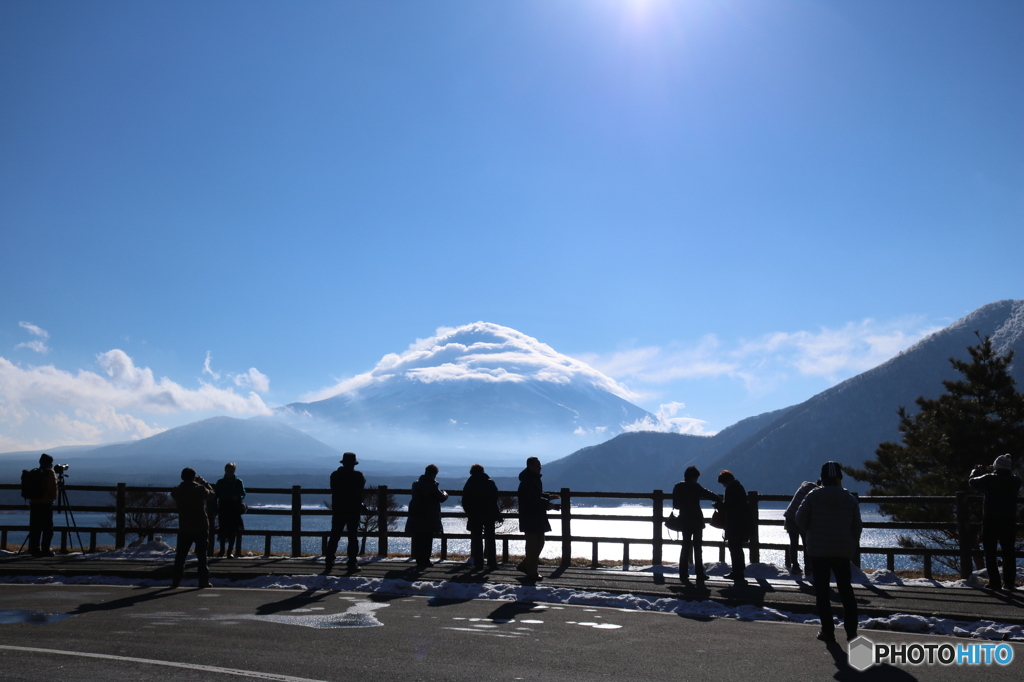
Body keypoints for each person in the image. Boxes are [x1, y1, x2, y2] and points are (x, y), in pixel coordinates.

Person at [796, 461, 862, 643]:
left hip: (818, 551)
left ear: (823, 478)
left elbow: (799, 519)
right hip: (842, 551)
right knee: (846, 591)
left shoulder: (812, 497)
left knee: (822, 592)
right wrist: (850, 542)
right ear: (840, 478)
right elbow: (857, 526)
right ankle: (851, 632)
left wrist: (812, 532)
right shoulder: (849, 499)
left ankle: (828, 631)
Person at [969, 454, 1022, 591]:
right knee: (1009, 552)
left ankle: (995, 582)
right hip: (1009, 521)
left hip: (990, 520)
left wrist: (977, 472)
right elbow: (1007, 477)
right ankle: (1009, 583)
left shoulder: (988, 479)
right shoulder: (1015, 481)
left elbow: (972, 482)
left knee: (990, 552)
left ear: (996, 466)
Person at [671, 465, 722, 582]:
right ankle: (700, 573)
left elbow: (676, 505)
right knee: (698, 548)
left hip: (684, 519)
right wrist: (719, 499)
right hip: (696, 520)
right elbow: (709, 494)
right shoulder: (695, 487)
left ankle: (683, 573)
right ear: (694, 477)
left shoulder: (677, 487)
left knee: (685, 546)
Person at [170, 467, 216, 589]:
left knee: (180, 556)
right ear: (194, 477)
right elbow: (212, 493)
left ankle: (176, 581)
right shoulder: (200, 489)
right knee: (202, 556)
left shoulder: (177, 491)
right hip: (200, 526)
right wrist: (203, 482)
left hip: (184, 526)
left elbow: (174, 493)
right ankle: (203, 581)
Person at [516, 456, 559, 581]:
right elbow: (532, 499)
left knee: (539, 543)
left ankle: (526, 565)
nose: (540, 467)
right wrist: (548, 504)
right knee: (533, 544)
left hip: (536, 516)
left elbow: (536, 495)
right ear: (530, 466)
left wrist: (548, 497)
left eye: (540, 465)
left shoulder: (532, 479)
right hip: (530, 517)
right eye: (537, 465)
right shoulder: (528, 481)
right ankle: (532, 572)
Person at [326, 452, 366, 573]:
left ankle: (329, 560)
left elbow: (334, 489)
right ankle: (352, 562)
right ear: (354, 464)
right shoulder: (358, 476)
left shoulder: (335, 475)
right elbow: (360, 489)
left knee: (335, 536)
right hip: (353, 510)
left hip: (338, 509)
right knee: (353, 537)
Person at [406, 464, 448, 567]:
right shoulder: (431, 485)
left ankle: (419, 559)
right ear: (434, 474)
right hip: (429, 516)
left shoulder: (416, 484)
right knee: (427, 539)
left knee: (418, 538)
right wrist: (445, 493)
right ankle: (425, 560)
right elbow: (441, 497)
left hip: (416, 515)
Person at [716, 470, 752, 584]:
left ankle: (737, 571)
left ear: (726, 481)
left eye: (723, 483)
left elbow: (729, 506)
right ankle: (739, 570)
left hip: (735, 523)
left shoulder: (731, 488)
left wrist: (719, 505)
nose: (723, 485)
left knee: (734, 547)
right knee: (737, 547)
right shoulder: (738, 487)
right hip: (741, 522)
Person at [462, 463, 500, 570]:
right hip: (489, 514)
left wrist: (469, 512)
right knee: (490, 538)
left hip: (475, 515)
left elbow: (465, 500)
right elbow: (495, 498)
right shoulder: (489, 482)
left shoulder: (470, 483)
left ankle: (478, 563)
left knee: (477, 538)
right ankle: (492, 562)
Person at [783, 479, 818, 575]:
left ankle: (795, 567)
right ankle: (808, 567)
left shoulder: (803, 488)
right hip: (801, 518)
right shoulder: (814, 493)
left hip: (790, 517)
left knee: (793, 544)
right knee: (806, 544)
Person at [27, 453, 58, 557]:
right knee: (47, 529)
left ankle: (33, 549)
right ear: (50, 463)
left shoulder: (34, 472)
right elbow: (53, 493)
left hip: (34, 503)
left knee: (35, 528)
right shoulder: (49, 473)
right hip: (45, 504)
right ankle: (45, 550)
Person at [214, 462, 246, 558]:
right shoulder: (220, 482)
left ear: (234, 471)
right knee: (223, 530)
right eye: (228, 471)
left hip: (234, 509)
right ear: (225, 471)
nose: (229, 473)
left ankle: (229, 551)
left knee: (233, 531)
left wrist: (238, 496)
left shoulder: (238, 482)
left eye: (231, 471)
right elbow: (215, 496)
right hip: (223, 508)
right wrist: (215, 508)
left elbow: (243, 493)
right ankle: (222, 550)